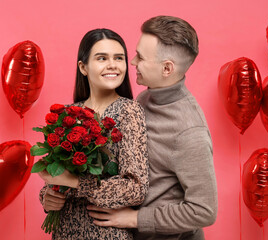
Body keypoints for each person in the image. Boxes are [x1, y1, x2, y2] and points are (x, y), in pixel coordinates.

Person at [86, 16, 218, 240]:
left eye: (141, 57)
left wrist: (135, 219)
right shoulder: (145, 98)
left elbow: (204, 211)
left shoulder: (189, 132)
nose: (133, 62)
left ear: (167, 68)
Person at [38, 28, 149, 240]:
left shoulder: (129, 111)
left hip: (105, 233)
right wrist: (47, 196)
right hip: (64, 231)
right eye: (102, 58)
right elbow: (57, 178)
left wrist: (77, 183)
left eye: (119, 58)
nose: (113, 65)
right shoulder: (68, 114)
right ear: (83, 67)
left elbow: (136, 188)